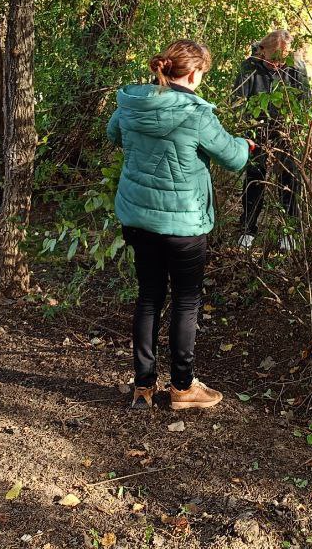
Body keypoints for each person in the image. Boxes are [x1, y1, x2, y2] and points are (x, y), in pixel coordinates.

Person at [107, 39, 254, 411]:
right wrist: (247, 143)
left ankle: (142, 385)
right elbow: (234, 158)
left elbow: (114, 135)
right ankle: (182, 388)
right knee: (186, 301)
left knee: (149, 295)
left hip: (138, 217)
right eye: (202, 73)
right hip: (183, 224)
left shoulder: (132, 101)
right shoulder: (196, 113)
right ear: (193, 72)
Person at [232, 28, 311, 250]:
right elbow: (238, 99)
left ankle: (289, 231)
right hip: (256, 130)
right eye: (273, 58)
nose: (277, 64)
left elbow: (305, 100)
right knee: (255, 177)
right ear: (262, 50)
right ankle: (248, 229)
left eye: (282, 60)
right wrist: (247, 126)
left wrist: (296, 128)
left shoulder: (296, 67)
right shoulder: (249, 67)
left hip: (287, 131)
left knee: (289, 180)